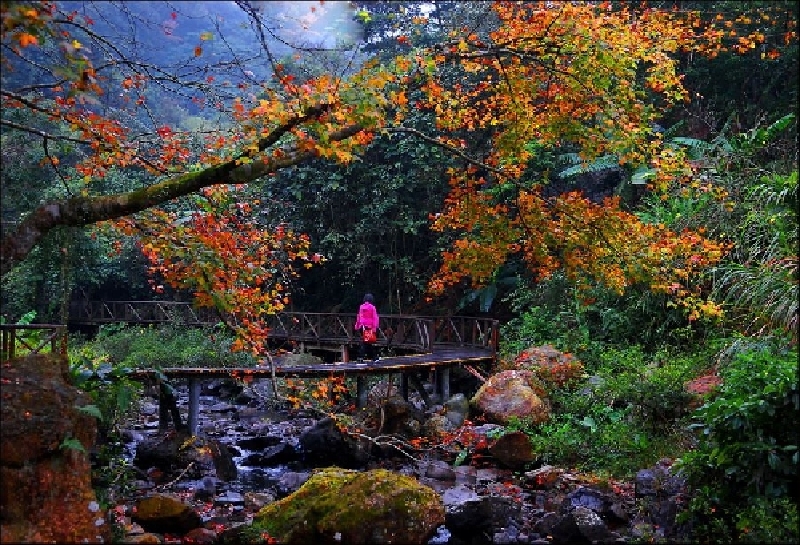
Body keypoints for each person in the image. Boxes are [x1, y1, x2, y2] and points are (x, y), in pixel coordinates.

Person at [354, 293, 380, 362]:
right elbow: (375, 318)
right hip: (369, 326)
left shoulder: (361, 307)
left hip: (362, 326)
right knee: (366, 342)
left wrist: (357, 326)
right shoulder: (372, 307)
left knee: (368, 342)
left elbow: (359, 317)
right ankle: (360, 357)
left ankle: (374, 357)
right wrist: (375, 328)